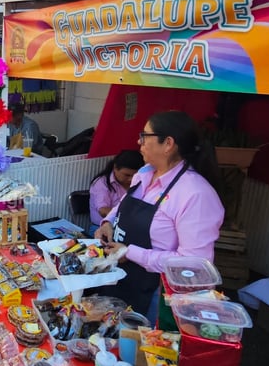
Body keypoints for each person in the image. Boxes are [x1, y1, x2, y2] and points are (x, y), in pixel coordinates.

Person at [94, 111, 224, 322]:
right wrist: (108, 222)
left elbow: (194, 264)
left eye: (144, 136)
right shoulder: (144, 173)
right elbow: (122, 204)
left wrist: (131, 252)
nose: (139, 141)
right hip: (121, 279)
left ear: (168, 144)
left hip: (155, 293)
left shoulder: (195, 194)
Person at [89, 150, 145, 232]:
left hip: (128, 227)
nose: (131, 179)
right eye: (127, 175)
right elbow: (103, 210)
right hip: (100, 228)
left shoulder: (140, 182)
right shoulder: (102, 183)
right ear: (115, 168)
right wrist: (129, 218)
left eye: (135, 175)